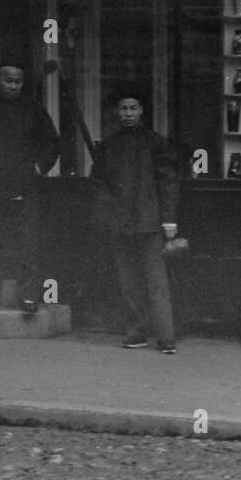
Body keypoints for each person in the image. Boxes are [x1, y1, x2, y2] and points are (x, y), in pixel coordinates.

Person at [90, 83, 182, 353]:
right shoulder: (109, 146)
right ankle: (135, 333)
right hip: (120, 222)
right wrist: (108, 212)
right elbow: (99, 183)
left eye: (133, 108)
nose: (128, 113)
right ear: (117, 112)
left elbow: (169, 182)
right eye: (123, 108)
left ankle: (167, 338)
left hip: (151, 222)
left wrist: (169, 220)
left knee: (157, 282)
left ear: (141, 111)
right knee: (128, 281)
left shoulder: (156, 142)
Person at [0, 57, 60, 318]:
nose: (13, 86)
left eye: (18, 82)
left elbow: (51, 142)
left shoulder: (33, 109)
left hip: (25, 186)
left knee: (27, 242)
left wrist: (38, 169)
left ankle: (28, 296)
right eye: (8, 81)